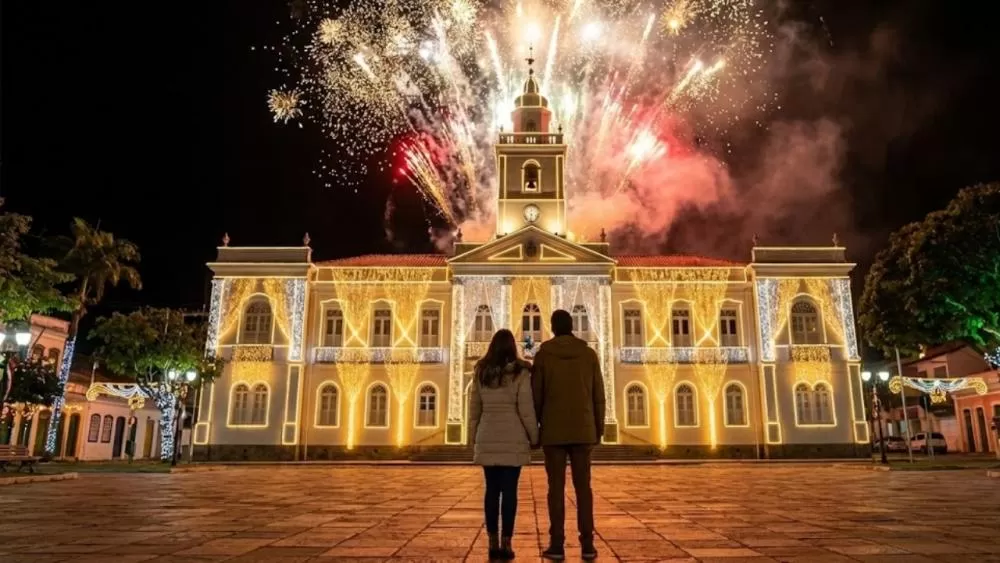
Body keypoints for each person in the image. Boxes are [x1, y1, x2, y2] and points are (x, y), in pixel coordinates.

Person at [532, 309, 605, 561]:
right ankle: (587, 544)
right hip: (584, 429)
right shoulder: (588, 355)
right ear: (572, 326)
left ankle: (557, 544)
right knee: (584, 488)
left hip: (553, 431)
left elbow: (536, 396)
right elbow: (598, 395)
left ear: (552, 327)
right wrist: (599, 428)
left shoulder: (543, 356)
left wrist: (537, 429)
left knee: (556, 489)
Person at [467, 328, 539, 561]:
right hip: (513, 437)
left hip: (487, 435)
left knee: (491, 491)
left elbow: (474, 410)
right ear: (512, 348)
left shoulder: (481, 373)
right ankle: (507, 543)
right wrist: (534, 436)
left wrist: (472, 437)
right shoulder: (520, 373)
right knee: (510, 493)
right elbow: (526, 410)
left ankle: (492, 541)